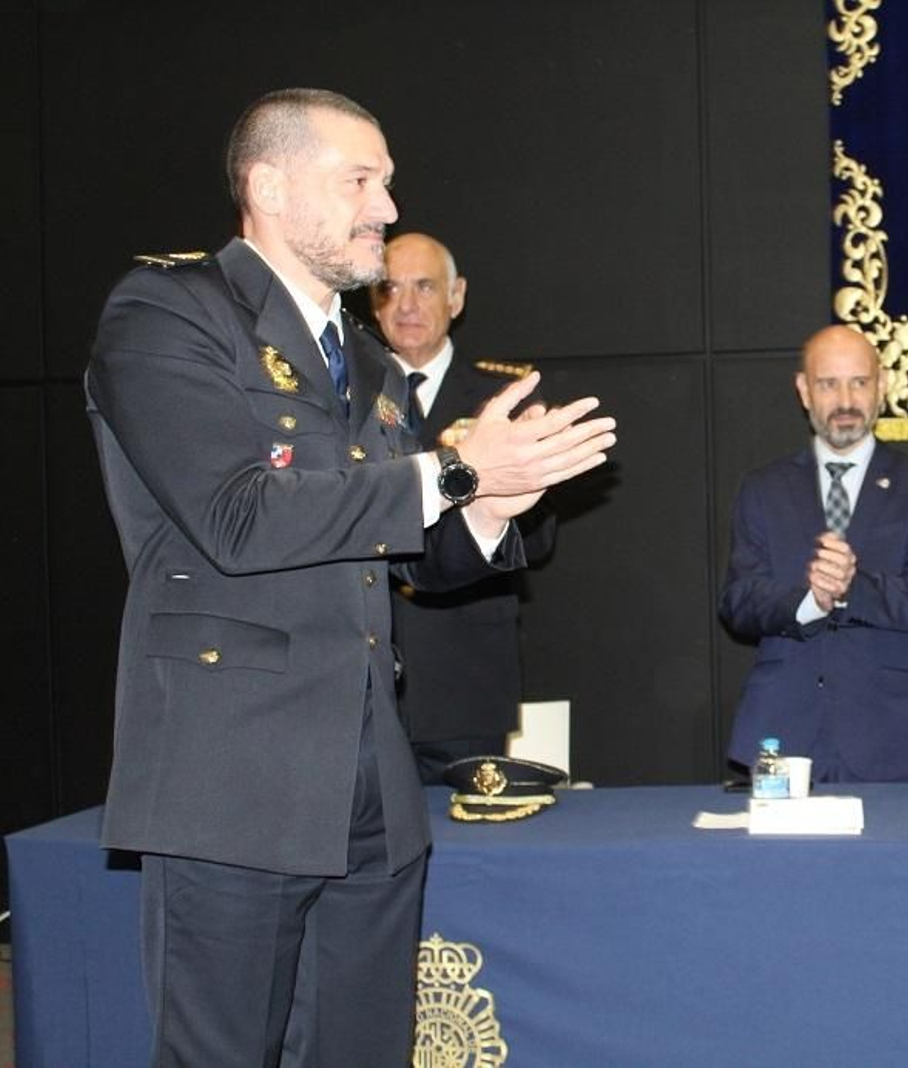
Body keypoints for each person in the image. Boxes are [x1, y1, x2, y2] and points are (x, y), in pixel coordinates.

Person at [85, 87, 617, 1065]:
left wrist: (491, 507)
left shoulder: (364, 360)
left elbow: (406, 551)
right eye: (360, 182)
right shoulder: (169, 311)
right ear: (269, 187)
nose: (387, 208)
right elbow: (237, 517)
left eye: (388, 183)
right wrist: (453, 473)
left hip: (372, 777)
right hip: (234, 775)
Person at [720, 325, 908, 783]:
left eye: (859, 382)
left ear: (882, 385)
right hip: (779, 737)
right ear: (803, 390)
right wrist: (810, 602)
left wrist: (852, 587)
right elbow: (738, 602)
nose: (846, 400)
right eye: (828, 384)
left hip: (888, 740)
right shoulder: (763, 488)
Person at [372, 231, 555, 783]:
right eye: (389, 288)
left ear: (457, 297)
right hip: (362, 677)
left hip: (463, 674)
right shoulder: (346, 397)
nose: (406, 305)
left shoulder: (504, 399)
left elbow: (539, 537)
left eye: (425, 287)